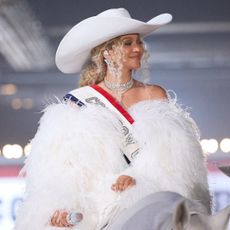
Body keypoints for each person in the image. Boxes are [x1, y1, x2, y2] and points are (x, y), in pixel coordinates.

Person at [14, 8, 211, 230]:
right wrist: (62, 205)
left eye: (139, 42)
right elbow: (63, 170)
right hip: (99, 209)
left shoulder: (155, 95)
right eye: (128, 43)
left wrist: (139, 179)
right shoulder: (79, 102)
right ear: (106, 52)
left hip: (147, 202)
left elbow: (175, 160)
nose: (138, 48)